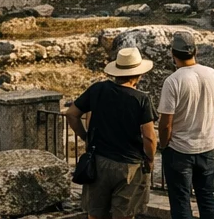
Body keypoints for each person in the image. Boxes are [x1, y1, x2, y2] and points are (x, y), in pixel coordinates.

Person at [66, 46, 157, 219]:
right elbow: (149, 137)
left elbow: (71, 114)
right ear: (138, 75)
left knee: (95, 214)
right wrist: (150, 159)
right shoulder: (141, 99)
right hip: (129, 166)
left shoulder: (97, 89)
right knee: (124, 215)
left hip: (98, 161)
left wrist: (86, 137)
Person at [159, 30, 214, 219]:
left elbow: (165, 124)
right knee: (207, 198)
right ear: (195, 51)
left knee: (181, 201)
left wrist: (164, 145)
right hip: (207, 146)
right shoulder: (212, 74)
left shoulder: (173, 81)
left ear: (173, 54)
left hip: (180, 149)